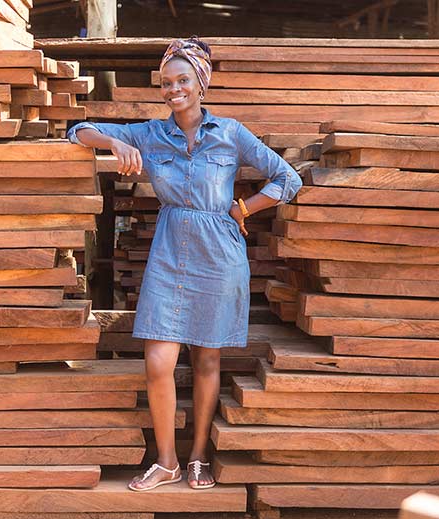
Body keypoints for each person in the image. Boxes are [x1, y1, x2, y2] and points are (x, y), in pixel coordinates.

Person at [66, 37, 302, 491]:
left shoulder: (230, 133)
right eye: (166, 83)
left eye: (182, 80)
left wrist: (245, 209)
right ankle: (167, 461)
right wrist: (115, 140)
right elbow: (78, 130)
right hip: (171, 251)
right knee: (158, 360)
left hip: (220, 254)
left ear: (201, 84)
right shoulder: (152, 134)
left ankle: (197, 458)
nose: (174, 89)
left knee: (207, 358)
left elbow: (286, 179)